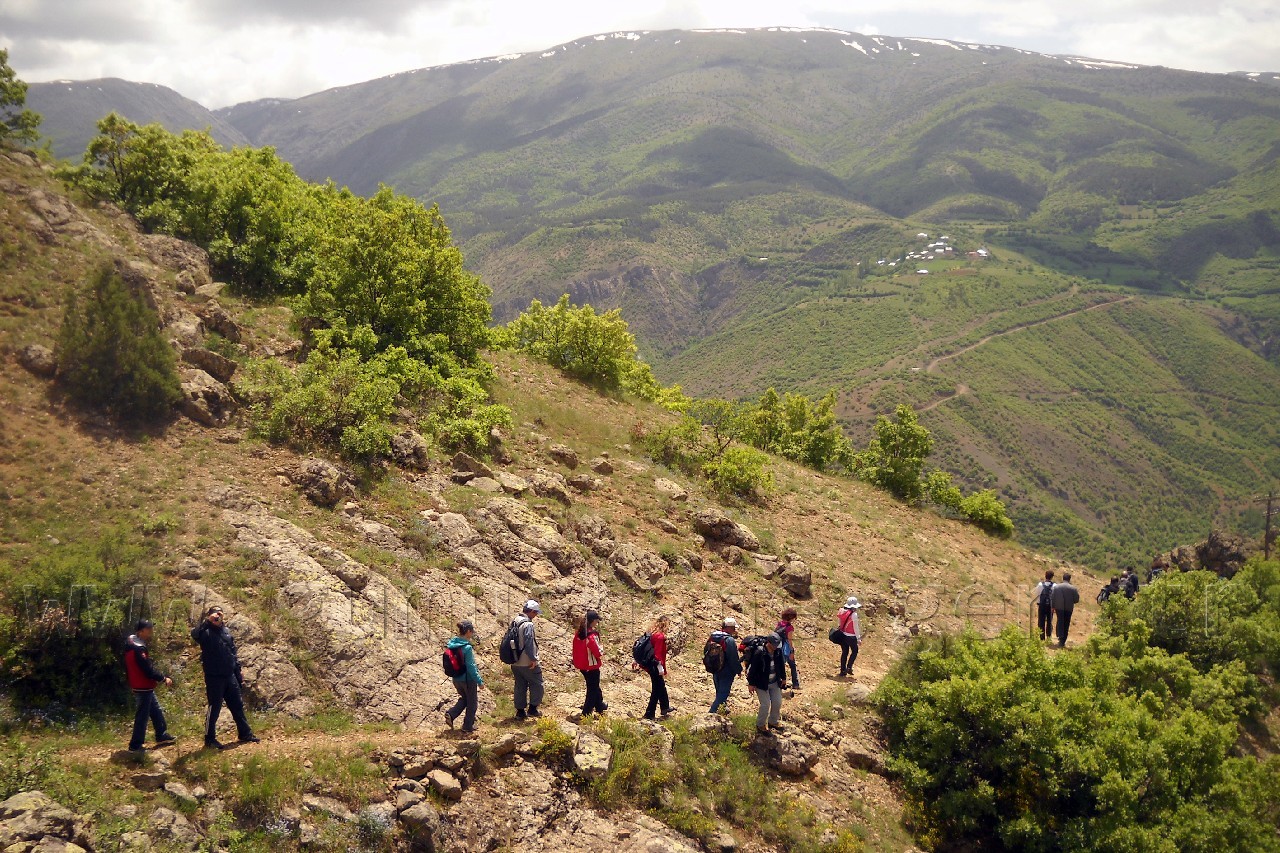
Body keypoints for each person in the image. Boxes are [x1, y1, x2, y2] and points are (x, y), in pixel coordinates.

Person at [191, 605, 259, 749]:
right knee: (214, 707)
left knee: (237, 705)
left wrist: (238, 671)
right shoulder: (205, 632)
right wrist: (207, 622)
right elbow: (194, 634)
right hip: (214, 677)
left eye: (220, 614)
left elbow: (232, 652)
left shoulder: (226, 631)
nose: (218, 616)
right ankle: (209, 739)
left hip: (229, 675)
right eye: (215, 614)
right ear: (210, 616)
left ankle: (245, 733)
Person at [124, 619, 175, 753]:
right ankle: (135, 745)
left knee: (156, 710)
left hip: (141, 685)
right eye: (148, 629)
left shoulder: (131, 642)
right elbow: (148, 670)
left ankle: (161, 735)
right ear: (141, 631)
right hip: (142, 685)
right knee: (142, 716)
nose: (151, 631)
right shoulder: (138, 648)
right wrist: (163, 678)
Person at [445, 620, 483, 733]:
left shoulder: (451, 644)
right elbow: (471, 667)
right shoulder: (467, 648)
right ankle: (467, 726)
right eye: (471, 631)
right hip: (468, 680)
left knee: (465, 699)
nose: (472, 634)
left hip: (456, 679)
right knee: (472, 703)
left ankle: (451, 714)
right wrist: (479, 681)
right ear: (467, 631)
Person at [509, 600, 544, 720]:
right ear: (532, 611)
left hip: (515, 660)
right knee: (537, 684)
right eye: (536, 613)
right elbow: (529, 642)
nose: (536, 615)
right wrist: (533, 658)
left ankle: (520, 712)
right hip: (527, 661)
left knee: (520, 685)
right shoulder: (528, 624)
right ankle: (533, 709)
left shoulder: (515, 620)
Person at [746, 632, 787, 733]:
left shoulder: (777, 651)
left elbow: (781, 665)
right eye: (775, 644)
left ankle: (773, 721)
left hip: (774, 681)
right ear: (768, 643)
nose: (777, 646)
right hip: (761, 683)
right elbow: (753, 669)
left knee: (777, 702)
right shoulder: (759, 652)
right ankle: (760, 725)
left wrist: (783, 678)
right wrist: (751, 684)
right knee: (765, 704)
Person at [572, 610, 608, 716]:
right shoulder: (592, 635)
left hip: (583, 666)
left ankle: (599, 706)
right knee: (592, 690)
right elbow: (598, 652)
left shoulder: (579, 633)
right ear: (593, 621)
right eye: (597, 621)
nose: (597, 623)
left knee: (594, 686)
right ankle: (586, 713)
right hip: (591, 666)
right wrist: (602, 648)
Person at [708, 617, 742, 715]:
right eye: (734, 628)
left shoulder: (713, 636)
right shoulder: (729, 640)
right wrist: (738, 670)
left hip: (715, 668)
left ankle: (722, 710)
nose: (735, 630)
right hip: (726, 671)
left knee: (719, 691)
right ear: (729, 628)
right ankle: (711, 714)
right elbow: (733, 657)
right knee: (723, 693)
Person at [641, 616, 672, 720]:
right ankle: (649, 713)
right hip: (655, 665)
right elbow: (658, 655)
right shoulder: (660, 637)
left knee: (660, 685)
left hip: (650, 664)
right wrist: (660, 668)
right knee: (656, 689)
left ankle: (665, 707)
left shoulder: (652, 633)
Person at [1051, 572, 1080, 648]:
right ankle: (1063, 640)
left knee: (1060, 621)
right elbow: (1076, 600)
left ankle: (1060, 637)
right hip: (1069, 608)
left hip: (1059, 607)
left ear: (1063, 578)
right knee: (1066, 623)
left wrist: (1053, 606)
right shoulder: (1073, 588)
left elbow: (1053, 597)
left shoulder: (1057, 587)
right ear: (1069, 579)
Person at [835, 596, 862, 677]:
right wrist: (858, 638)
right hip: (851, 636)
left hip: (843, 635)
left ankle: (842, 671)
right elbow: (855, 627)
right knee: (854, 651)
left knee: (844, 653)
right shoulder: (854, 614)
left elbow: (839, 624)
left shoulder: (841, 611)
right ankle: (849, 667)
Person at [776, 607, 800, 690]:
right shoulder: (789, 627)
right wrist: (792, 651)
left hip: (778, 647)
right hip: (786, 649)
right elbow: (790, 640)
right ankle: (795, 684)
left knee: (780, 666)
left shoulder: (779, 624)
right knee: (792, 665)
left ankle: (779, 683)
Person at [1033, 570, 1055, 641]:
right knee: (1049, 621)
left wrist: (1038, 603)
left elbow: (1037, 594)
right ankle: (1048, 637)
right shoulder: (1054, 586)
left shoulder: (1040, 585)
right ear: (1052, 577)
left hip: (1042, 605)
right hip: (1050, 606)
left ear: (1045, 575)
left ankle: (1041, 638)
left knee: (1041, 621)